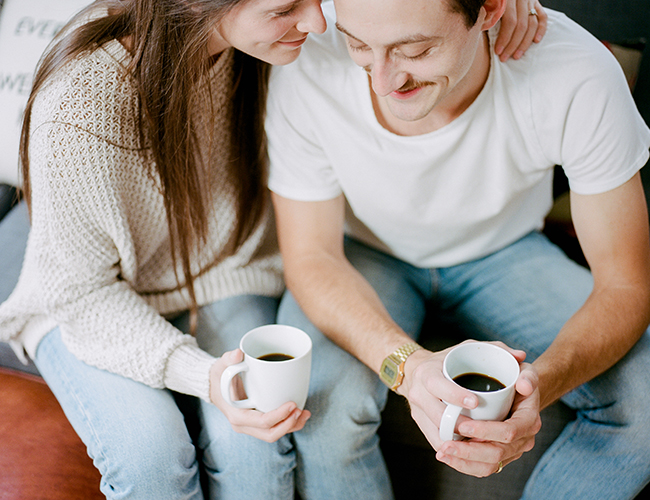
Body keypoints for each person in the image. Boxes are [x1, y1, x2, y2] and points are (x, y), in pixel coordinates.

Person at [0, 0, 546, 498]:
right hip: (87, 301)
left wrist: (499, 6)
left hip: (228, 271)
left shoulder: (269, 44)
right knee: (153, 461)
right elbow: (79, 291)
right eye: (286, 7)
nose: (315, 23)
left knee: (256, 452)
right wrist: (204, 376)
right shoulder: (81, 101)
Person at [266, 0, 650, 499]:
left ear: (490, 11)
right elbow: (311, 256)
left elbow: (626, 284)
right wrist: (406, 366)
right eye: (359, 46)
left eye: (416, 51)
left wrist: (537, 389)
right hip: (364, 256)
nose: (382, 82)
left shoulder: (573, 71)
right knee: (322, 410)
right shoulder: (310, 57)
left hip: (505, 252)